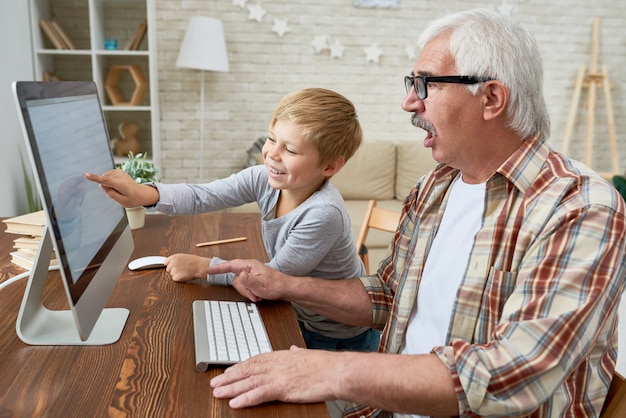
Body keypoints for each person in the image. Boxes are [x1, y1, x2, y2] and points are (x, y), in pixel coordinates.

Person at [204, 8, 626, 418]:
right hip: (384, 405)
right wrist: (284, 284)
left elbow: (511, 375)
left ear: (491, 97)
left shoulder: (579, 206)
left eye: (425, 85)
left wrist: (329, 370)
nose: (409, 102)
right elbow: (388, 296)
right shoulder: (435, 187)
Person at [86, 88, 380, 354]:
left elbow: (269, 281)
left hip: (334, 333)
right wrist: (143, 194)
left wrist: (203, 267)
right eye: (272, 139)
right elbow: (204, 195)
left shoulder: (323, 214)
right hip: (297, 312)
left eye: (290, 150)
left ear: (329, 166)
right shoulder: (263, 179)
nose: (272, 154)